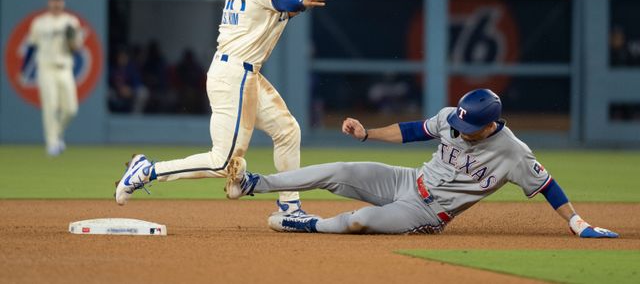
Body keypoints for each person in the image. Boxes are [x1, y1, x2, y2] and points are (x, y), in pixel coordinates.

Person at [115, 0, 327, 218]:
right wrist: (301, 0)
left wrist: (293, 5)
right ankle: (146, 171)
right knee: (221, 161)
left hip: (243, 73)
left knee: (287, 131)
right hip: (234, 76)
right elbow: (282, 2)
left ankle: (289, 206)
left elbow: (273, 13)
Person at [224, 88, 619, 238]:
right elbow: (413, 130)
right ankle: (253, 183)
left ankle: (306, 224)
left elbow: (547, 185)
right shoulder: (453, 116)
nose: (460, 130)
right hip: (407, 180)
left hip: (428, 212)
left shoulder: (513, 153)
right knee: (340, 169)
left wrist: (577, 223)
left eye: (470, 128)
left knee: (359, 222)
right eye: (459, 123)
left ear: (491, 125)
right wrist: (367, 134)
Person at [21, 0, 83, 156]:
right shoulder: (39, 22)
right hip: (46, 68)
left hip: (65, 68)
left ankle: (57, 134)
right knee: (50, 106)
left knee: (71, 109)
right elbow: (31, 47)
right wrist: (24, 70)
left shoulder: (71, 21)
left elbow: (77, 48)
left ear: (63, 2)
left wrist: (72, 41)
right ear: (49, 1)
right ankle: (52, 143)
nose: (56, 3)